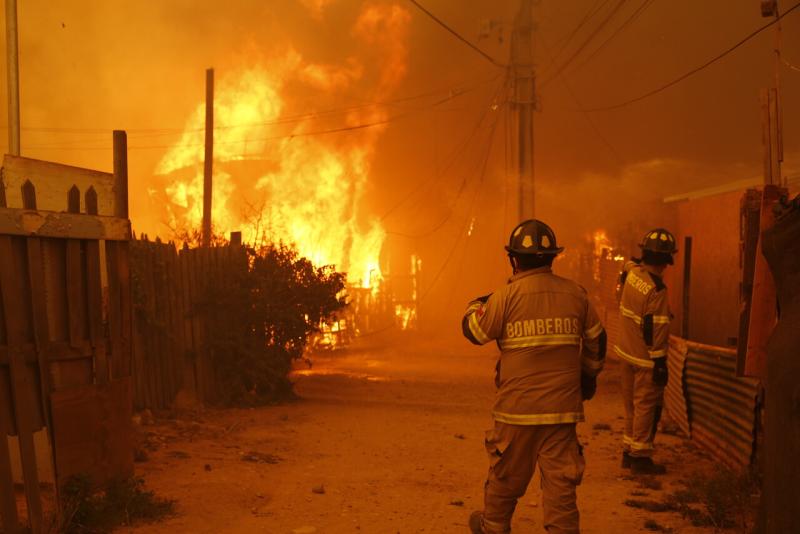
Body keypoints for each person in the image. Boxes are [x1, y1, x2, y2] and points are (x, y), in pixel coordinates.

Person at [462, 219, 606, 534]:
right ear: (552, 257)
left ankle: (494, 527)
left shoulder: (505, 297)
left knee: (505, 476)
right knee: (561, 483)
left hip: (517, 411)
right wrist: (588, 378)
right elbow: (598, 340)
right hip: (562, 410)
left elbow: (473, 331)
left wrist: (479, 303)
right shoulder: (576, 294)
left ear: (514, 258)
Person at [615, 228, 677, 475]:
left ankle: (628, 453)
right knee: (645, 408)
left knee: (631, 407)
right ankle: (640, 458)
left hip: (625, 353)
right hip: (644, 359)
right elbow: (656, 329)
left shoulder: (633, 275)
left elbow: (629, 265)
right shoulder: (657, 290)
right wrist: (660, 362)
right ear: (667, 260)